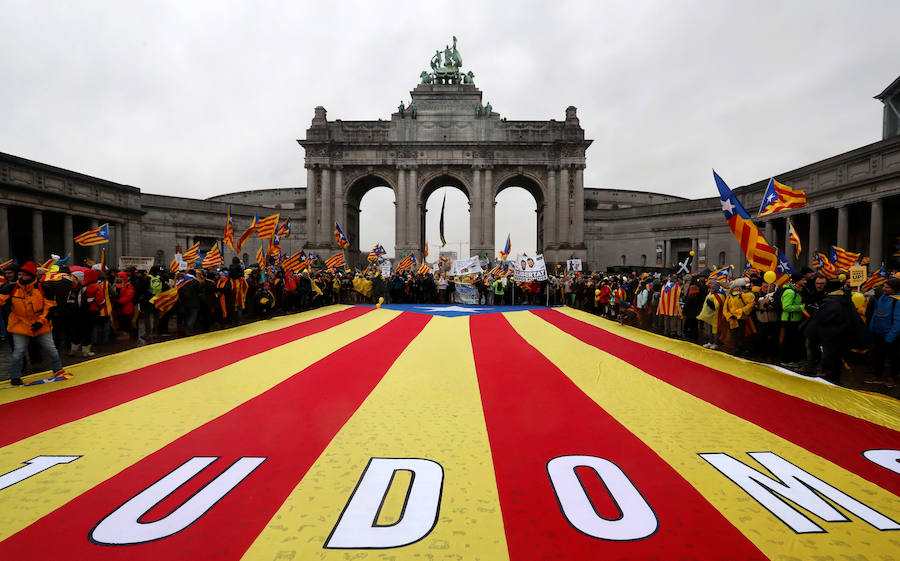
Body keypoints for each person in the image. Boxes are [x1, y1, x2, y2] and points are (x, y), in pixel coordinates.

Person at [0, 261, 69, 385]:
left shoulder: (45, 288)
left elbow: (50, 308)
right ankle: (15, 377)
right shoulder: (11, 288)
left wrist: (40, 322)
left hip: (41, 324)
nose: (20, 277)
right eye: (19, 274)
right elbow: (1, 300)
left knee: (50, 348)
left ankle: (58, 370)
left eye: (23, 275)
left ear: (32, 275)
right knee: (19, 351)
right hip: (19, 324)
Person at [866, 277, 900, 388]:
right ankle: (878, 375)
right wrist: (872, 329)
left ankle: (892, 378)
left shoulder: (897, 301)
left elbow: (898, 321)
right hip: (878, 334)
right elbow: (876, 314)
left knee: (893, 358)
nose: (884, 288)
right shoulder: (882, 297)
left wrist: (890, 337)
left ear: (894, 289)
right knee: (878, 356)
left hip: (891, 336)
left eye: (887, 287)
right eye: (884, 286)